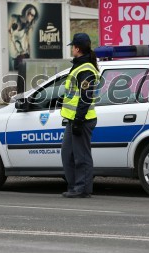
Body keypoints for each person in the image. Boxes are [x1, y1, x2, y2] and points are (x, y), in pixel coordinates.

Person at [60, 33, 99, 198]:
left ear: (77, 48)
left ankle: (82, 189)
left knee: (81, 156)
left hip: (82, 119)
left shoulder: (85, 69)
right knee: (67, 153)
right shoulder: (79, 65)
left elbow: (85, 97)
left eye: (73, 47)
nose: (72, 50)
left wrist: (78, 120)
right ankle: (74, 186)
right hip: (73, 119)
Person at [8, 4, 38, 70]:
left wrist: (30, 56)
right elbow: (8, 31)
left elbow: (28, 41)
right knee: (14, 73)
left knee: (23, 74)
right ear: (25, 11)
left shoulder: (29, 26)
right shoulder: (14, 18)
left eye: (33, 15)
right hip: (14, 52)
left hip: (23, 54)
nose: (30, 16)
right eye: (29, 13)